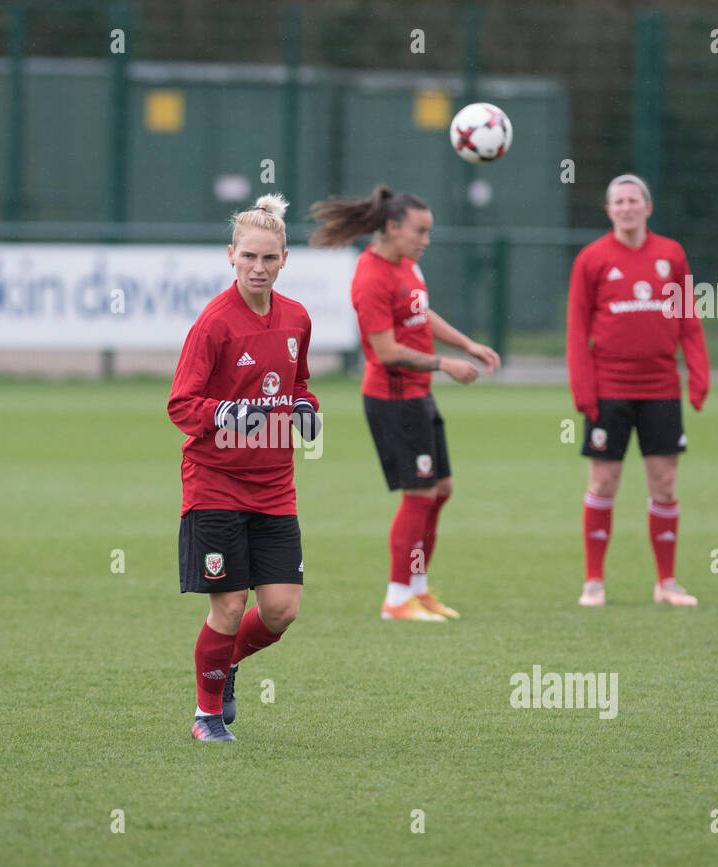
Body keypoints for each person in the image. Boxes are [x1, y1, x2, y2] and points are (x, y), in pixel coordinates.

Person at [168, 193, 321, 741]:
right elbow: (181, 405)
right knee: (228, 607)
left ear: (285, 260)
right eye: (248, 257)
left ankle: (226, 663)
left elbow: (298, 385)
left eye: (269, 259)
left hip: (275, 488)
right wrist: (228, 412)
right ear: (230, 255)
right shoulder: (213, 324)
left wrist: (307, 410)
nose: (258, 268)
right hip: (215, 486)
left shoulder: (297, 318)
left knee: (280, 611)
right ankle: (207, 717)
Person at [309, 185, 500, 621]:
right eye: (420, 231)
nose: (426, 240)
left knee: (440, 491)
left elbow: (420, 313)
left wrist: (467, 344)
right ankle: (396, 599)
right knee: (420, 493)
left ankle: (417, 588)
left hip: (418, 396)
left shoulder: (408, 266)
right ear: (392, 227)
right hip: (392, 400)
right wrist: (445, 364)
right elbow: (387, 351)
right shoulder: (370, 276)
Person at [566, 173, 710, 607]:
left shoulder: (671, 254)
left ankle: (666, 582)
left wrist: (698, 374)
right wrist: (583, 389)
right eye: (618, 202)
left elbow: (689, 319)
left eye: (634, 200)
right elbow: (576, 329)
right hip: (610, 388)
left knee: (664, 483)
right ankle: (594, 581)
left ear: (648, 207)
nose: (627, 208)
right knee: (604, 480)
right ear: (609, 211)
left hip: (661, 386)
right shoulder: (591, 259)